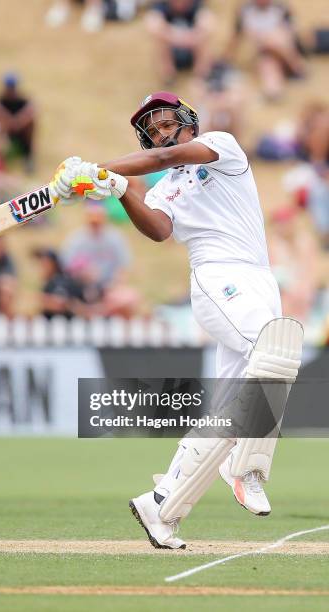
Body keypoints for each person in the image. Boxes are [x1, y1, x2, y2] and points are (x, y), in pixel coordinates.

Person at [50, 91, 303, 549]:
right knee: (274, 353)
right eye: (153, 129)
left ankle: (162, 503)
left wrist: (99, 169)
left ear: (188, 120)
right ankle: (246, 466)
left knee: (236, 397)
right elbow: (159, 230)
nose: (161, 133)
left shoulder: (222, 146)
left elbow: (166, 156)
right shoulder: (164, 187)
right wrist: (119, 189)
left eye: (166, 122)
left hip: (259, 280)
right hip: (216, 276)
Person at [227, 0, 306, 101]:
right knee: (268, 62)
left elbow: (291, 37)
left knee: (275, 39)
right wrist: (227, 61)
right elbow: (235, 39)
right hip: (264, 55)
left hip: (285, 52)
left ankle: (295, 67)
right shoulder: (244, 10)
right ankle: (274, 90)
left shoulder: (281, 8)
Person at [145, 0, 214, 85]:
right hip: (171, 53)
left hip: (192, 50)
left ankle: (201, 75)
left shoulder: (196, 5)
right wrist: (177, 37)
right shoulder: (161, 6)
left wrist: (193, 36)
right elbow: (153, 25)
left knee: (204, 39)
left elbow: (208, 23)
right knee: (160, 41)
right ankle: (168, 76)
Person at [0, 73, 36, 173]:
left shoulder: (22, 101)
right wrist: (8, 121)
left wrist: (18, 122)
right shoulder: (0, 101)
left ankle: (27, 157)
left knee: (31, 123)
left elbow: (32, 110)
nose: (10, 90)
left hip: (20, 132)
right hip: (5, 134)